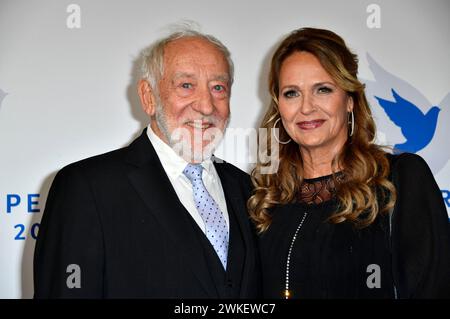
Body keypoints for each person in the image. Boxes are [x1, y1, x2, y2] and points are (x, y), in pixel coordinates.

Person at [34, 27, 260, 298]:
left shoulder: (248, 190)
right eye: (186, 85)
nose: (207, 106)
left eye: (218, 88)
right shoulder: (86, 188)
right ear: (148, 97)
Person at [248, 27, 450, 299]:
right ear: (278, 105)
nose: (306, 107)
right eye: (291, 93)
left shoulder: (399, 180)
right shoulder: (266, 199)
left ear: (350, 100)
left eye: (323, 89)